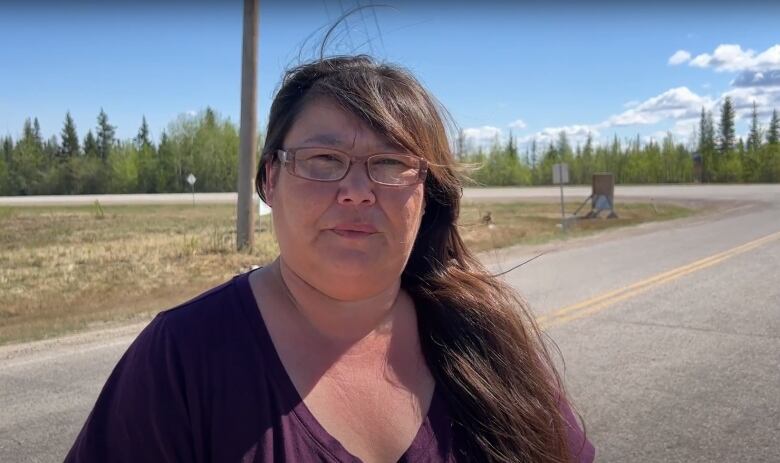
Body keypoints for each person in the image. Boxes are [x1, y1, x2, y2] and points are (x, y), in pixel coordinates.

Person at [65, 55, 595, 463]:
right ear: (270, 180)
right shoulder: (180, 359)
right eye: (324, 159)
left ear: (427, 193)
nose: (358, 190)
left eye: (390, 163)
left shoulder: (486, 338)